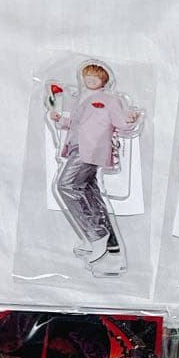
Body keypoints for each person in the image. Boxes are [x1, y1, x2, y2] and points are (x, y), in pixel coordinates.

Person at [50, 62, 142, 264]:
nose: (91, 79)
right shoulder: (83, 98)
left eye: (96, 76)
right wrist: (60, 120)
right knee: (90, 191)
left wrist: (131, 119)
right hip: (76, 147)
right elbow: (78, 123)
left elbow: (121, 123)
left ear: (104, 80)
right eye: (88, 76)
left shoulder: (109, 100)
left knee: (66, 185)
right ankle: (111, 242)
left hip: (91, 150)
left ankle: (96, 235)